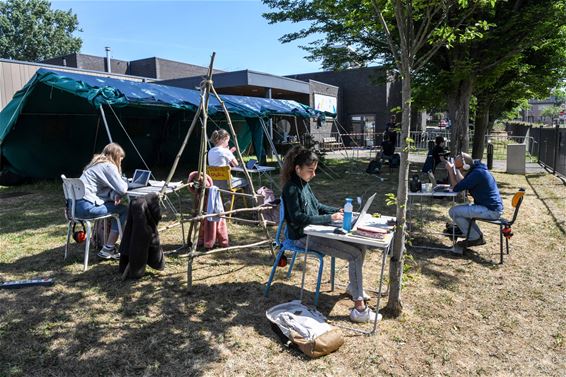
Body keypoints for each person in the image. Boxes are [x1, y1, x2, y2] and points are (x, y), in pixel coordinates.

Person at [281, 145, 379, 323]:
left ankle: (353, 287)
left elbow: (317, 206)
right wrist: (329, 218)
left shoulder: (303, 184)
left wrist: (337, 211)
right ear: (297, 169)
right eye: (310, 171)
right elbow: (298, 218)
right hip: (302, 238)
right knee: (355, 254)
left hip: (313, 233)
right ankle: (359, 309)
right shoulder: (291, 189)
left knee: (360, 246)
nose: (313, 174)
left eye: (315, 170)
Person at [442, 153, 503, 252]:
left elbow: (455, 188)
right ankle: (474, 236)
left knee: (453, 211)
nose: (461, 171)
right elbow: (462, 183)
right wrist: (456, 169)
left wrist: (450, 170)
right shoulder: (477, 171)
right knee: (458, 212)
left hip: (490, 211)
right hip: (491, 208)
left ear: (466, 166)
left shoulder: (477, 174)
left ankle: (475, 238)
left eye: (461, 168)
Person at [76, 143, 128, 260]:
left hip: (75, 208)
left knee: (115, 207)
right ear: (116, 156)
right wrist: (125, 181)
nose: (120, 163)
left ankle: (108, 245)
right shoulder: (108, 166)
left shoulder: (94, 165)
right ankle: (108, 248)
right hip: (87, 207)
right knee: (123, 210)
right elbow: (123, 189)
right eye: (120, 160)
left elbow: (101, 191)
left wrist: (114, 194)